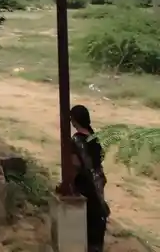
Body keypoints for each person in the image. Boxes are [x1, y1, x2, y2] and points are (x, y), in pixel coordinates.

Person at [70, 104, 110, 252]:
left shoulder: (75, 140)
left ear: (74, 121)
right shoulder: (94, 138)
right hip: (98, 183)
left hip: (85, 185)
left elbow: (75, 165)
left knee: (87, 222)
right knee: (98, 218)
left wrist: (68, 185)